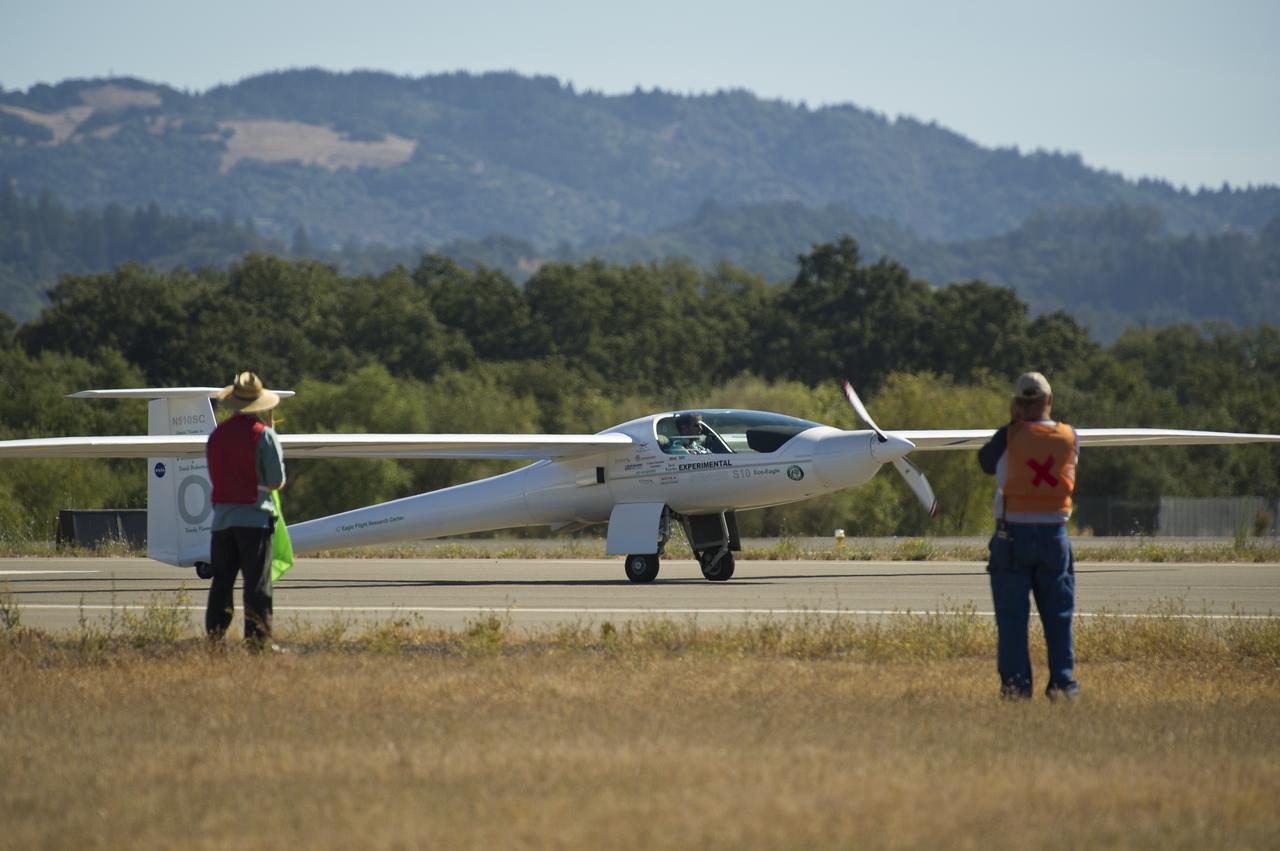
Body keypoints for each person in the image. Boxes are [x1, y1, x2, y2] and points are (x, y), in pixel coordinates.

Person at [977, 372, 1081, 701]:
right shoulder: (1069, 436)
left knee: (1011, 620)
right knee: (1059, 616)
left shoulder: (1007, 436)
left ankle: (1016, 688)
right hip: (1055, 537)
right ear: (1049, 401)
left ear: (1018, 404)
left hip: (1012, 538)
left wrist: (1013, 422)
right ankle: (1063, 685)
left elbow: (984, 464)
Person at [205, 372, 286, 650]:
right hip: (255, 520)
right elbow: (276, 480)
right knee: (257, 586)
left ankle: (215, 639)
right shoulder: (264, 436)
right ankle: (258, 642)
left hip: (222, 521)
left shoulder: (216, 436)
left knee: (221, 585)